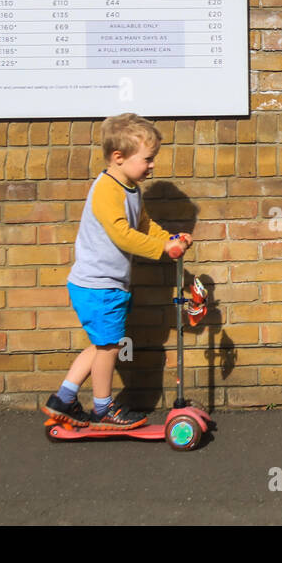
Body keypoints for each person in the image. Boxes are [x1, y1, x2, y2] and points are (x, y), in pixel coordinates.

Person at [41, 113, 190, 429]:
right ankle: (103, 409)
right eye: (148, 159)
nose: (152, 166)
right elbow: (121, 234)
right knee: (109, 346)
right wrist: (162, 250)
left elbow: (145, 225)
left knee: (101, 344)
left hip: (105, 284)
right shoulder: (108, 190)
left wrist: (170, 238)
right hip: (98, 285)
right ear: (118, 157)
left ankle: (64, 399)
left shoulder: (130, 188)